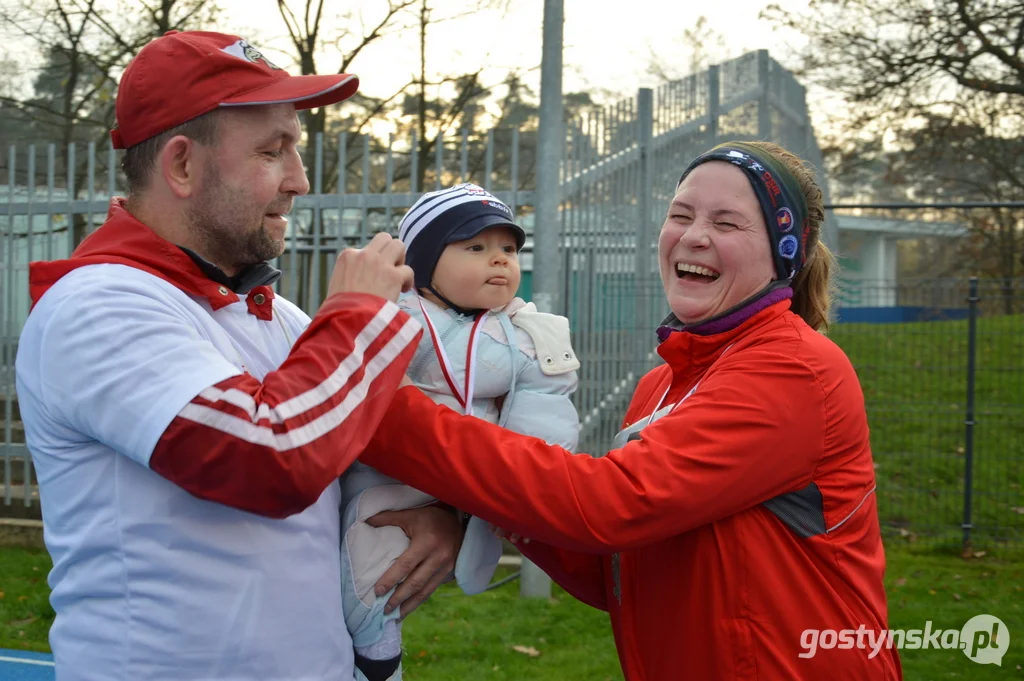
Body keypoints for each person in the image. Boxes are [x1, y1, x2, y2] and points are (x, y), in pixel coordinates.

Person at [358, 141, 904, 680]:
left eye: (727, 222)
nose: (694, 236)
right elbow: (618, 570)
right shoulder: (662, 383)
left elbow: (613, 505)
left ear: (785, 251)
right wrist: (476, 511)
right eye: (681, 215)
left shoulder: (793, 369)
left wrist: (386, 405)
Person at [16, 30, 465, 681]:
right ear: (182, 166)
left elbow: (363, 445)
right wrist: (359, 316)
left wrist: (441, 517)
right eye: (272, 151)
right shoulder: (95, 305)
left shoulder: (275, 315)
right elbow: (269, 458)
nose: (300, 180)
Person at [340, 183, 580, 681]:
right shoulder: (399, 313)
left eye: (509, 250)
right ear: (423, 264)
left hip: (468, 486)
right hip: (380, 482)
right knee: (369, 580)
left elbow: (543, 414)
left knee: (394, 580)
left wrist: (525, 488)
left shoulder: (527, 335)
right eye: (476, 247)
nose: (499, 261)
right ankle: (377, 660)